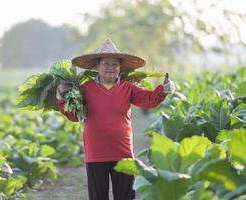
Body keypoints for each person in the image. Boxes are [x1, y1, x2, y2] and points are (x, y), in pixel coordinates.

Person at [56, 38, 175, 200]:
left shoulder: (128, 88)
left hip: (122, 151)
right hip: (96, 152)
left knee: (125, 196)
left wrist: (164, 90)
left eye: (115, 64)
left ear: (120, 68)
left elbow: (149, 99)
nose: (110, 68)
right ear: (97, 67)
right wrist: (61, 98)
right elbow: (74, 115)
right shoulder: (85, 89)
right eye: (106, 64)